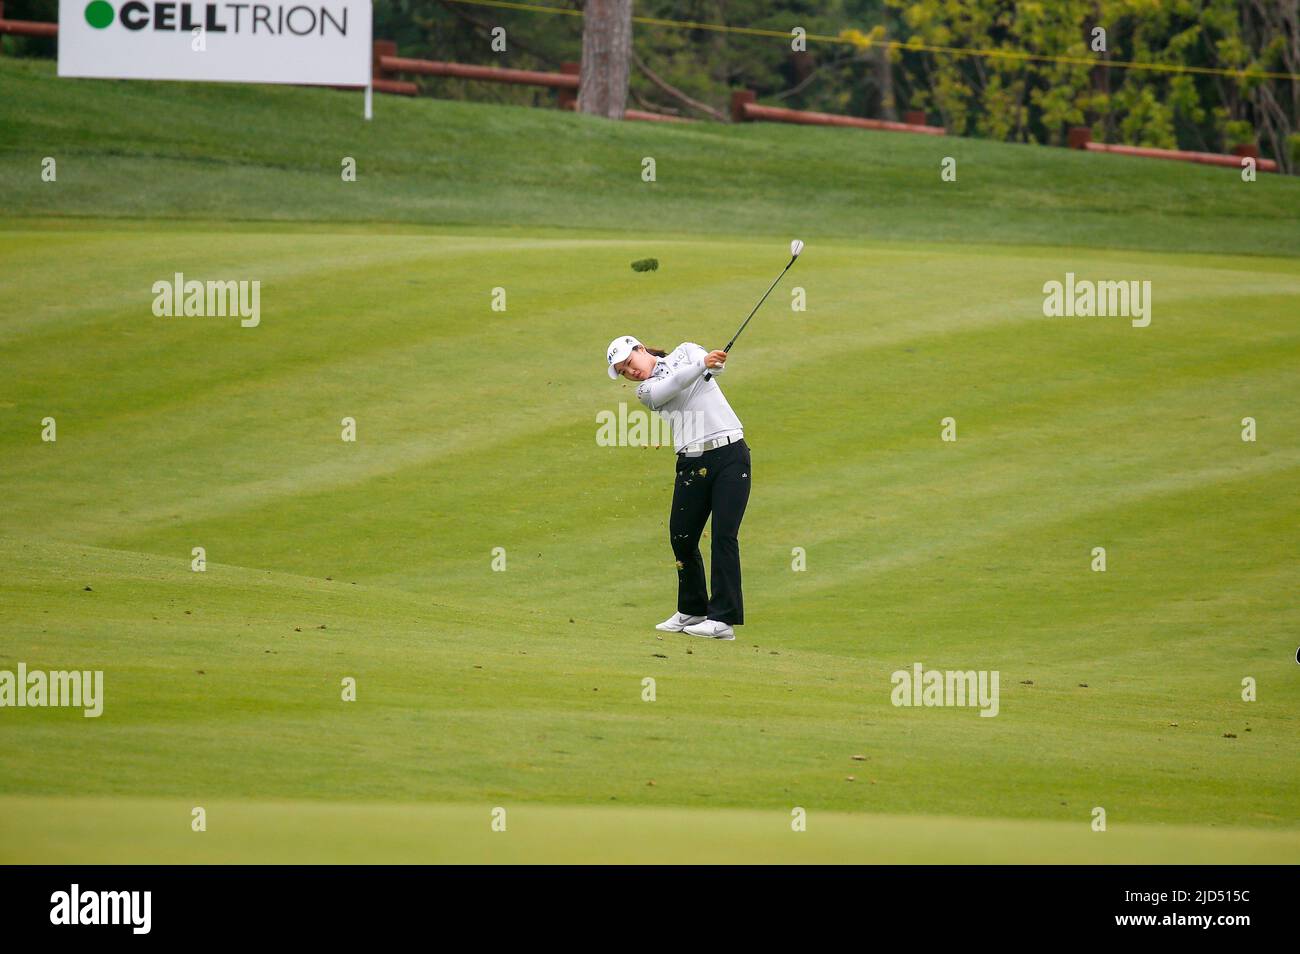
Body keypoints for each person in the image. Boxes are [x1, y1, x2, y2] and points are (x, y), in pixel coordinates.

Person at [605, 335, 751, 640]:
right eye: (623, 371)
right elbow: (671, 387)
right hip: (691, 461)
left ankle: (723, 620)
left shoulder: (685, 351)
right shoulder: (645, 391)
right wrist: (702, 365)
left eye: (629, 363)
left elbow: (714, 371)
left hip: (730, 454)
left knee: (724, 536)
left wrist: (713, 364)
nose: (630, 372)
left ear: (641, 349)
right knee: (681, 537)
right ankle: (692, 609)